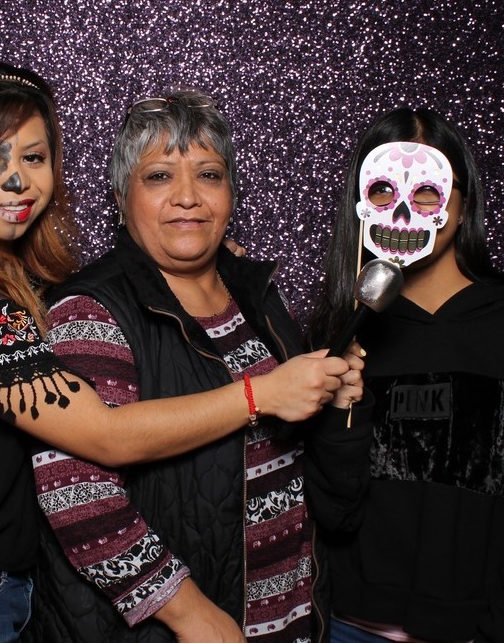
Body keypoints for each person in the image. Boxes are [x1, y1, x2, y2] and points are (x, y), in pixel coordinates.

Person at [0, 64, 356, 643]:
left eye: (33, 158)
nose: (16, 181)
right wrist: (261, 394)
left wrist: (208, 253)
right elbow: (105, 436)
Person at [26, 90, 374, 643]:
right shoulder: (91, 309)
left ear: (231, 193)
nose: (187, 197)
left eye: (209, 175)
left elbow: (307, 471)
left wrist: (338, 407)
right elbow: (78, 496)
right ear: (120, 197)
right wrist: (191, 615)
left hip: (291, 622)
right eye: (159, 177)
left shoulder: (259, 298)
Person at [308, 108, 504, 643]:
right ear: (360, 203)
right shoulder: (339, 335)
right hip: (344, 627)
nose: (404, 211)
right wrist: (344, 407)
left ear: (462, 208)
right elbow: (331, 510)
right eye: (383, 191)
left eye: (426, 194)